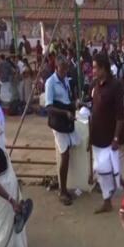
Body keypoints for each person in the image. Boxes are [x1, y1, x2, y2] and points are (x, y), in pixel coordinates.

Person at [91, 53, 124, 214]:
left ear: (104, 68)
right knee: (102, 170)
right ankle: (107, 201)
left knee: (113, 170)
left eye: (95, 67)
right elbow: (94, 111)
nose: (93, 71)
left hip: (110, 137)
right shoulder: (96, 86)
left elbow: (120, 115)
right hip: (97, 136)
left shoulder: (116, 86)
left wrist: (116, 137)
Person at [45, 55, 80, 206]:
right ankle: (62, 191)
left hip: (67, 118)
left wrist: (75, 104)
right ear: (56, 67)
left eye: (66, 68)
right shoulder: (50, 83)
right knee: (65, 154)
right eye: (62, 68)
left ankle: (67, 185)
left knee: (74, 145)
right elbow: (49, 107)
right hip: (58, 120)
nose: (65, 71)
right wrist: (65, 113)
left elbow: (66, 100)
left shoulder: (65, 80)